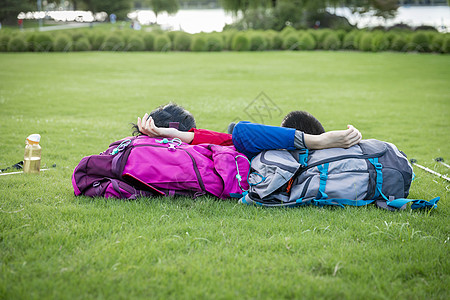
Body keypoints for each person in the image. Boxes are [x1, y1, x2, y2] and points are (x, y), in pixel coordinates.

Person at [134, 104, 362, 157]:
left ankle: (317, 143)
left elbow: (196, 137)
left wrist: (165, 133)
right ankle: (318, 142)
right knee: (240, 130)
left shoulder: (189, 147)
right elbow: (193, 137)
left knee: (235, 130)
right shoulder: (185, 149)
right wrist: (168, 133)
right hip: (262, 162)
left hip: (275, 156)